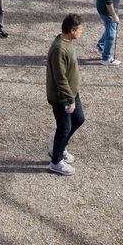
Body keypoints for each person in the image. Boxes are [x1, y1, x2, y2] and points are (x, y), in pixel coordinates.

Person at [46, 13, 85, 175]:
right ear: (72, 30)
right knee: (64, 127)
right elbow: (60, 78)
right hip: (61, 96)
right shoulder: (59, 49)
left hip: (71, 92)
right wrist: (70, 99)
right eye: (80, 30)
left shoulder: (67, 42)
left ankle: (59, 148)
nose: (82, 32)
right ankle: (56, 162)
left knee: (79, 119)